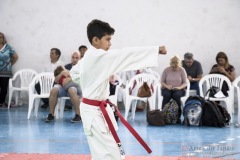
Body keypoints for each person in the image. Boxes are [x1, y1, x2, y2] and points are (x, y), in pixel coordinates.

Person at [70, 19, 167, 160]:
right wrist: (155, 50)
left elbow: (74, 73)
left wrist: (94, 77)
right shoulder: (98, 56)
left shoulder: (89, 57)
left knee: (104, 152)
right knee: (110, 154)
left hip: (95, 110)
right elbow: (125, 54)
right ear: (96, 40)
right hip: (93, 112)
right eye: (107, 39)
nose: (110, 44)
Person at [45, 51, 82, 123]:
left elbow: (82, 79)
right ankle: (51, 114)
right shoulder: (66, 66)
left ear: (80, 59)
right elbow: (56, 80)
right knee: (54, 90)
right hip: (63, 87)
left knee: (71, 90)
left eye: (77, 58)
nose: (74, 59)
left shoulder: (82, 67)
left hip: (75, 87)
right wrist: (62, 72)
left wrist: (70, 78)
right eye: (73, 57)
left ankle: (78, 115)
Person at [161, 55, 188, 122]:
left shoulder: (182, 70)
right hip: (167, 88)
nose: (174, 68)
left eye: (176, 67)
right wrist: (167, 86)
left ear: (178, 65)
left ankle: (177, 115)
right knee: (167, 95)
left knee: (176, 95)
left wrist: (179, 87)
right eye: (172, 67)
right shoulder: (166, 70)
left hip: (179, 89)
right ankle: (164, 114)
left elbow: (185, 83)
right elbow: (162, 82)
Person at [0, 32, 18, 108]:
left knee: (4, 88)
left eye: (1, 37)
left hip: (6, 71)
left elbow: (15, 56)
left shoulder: (8, 47)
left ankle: (1, 102)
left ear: (3, 39)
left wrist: (9, 64)